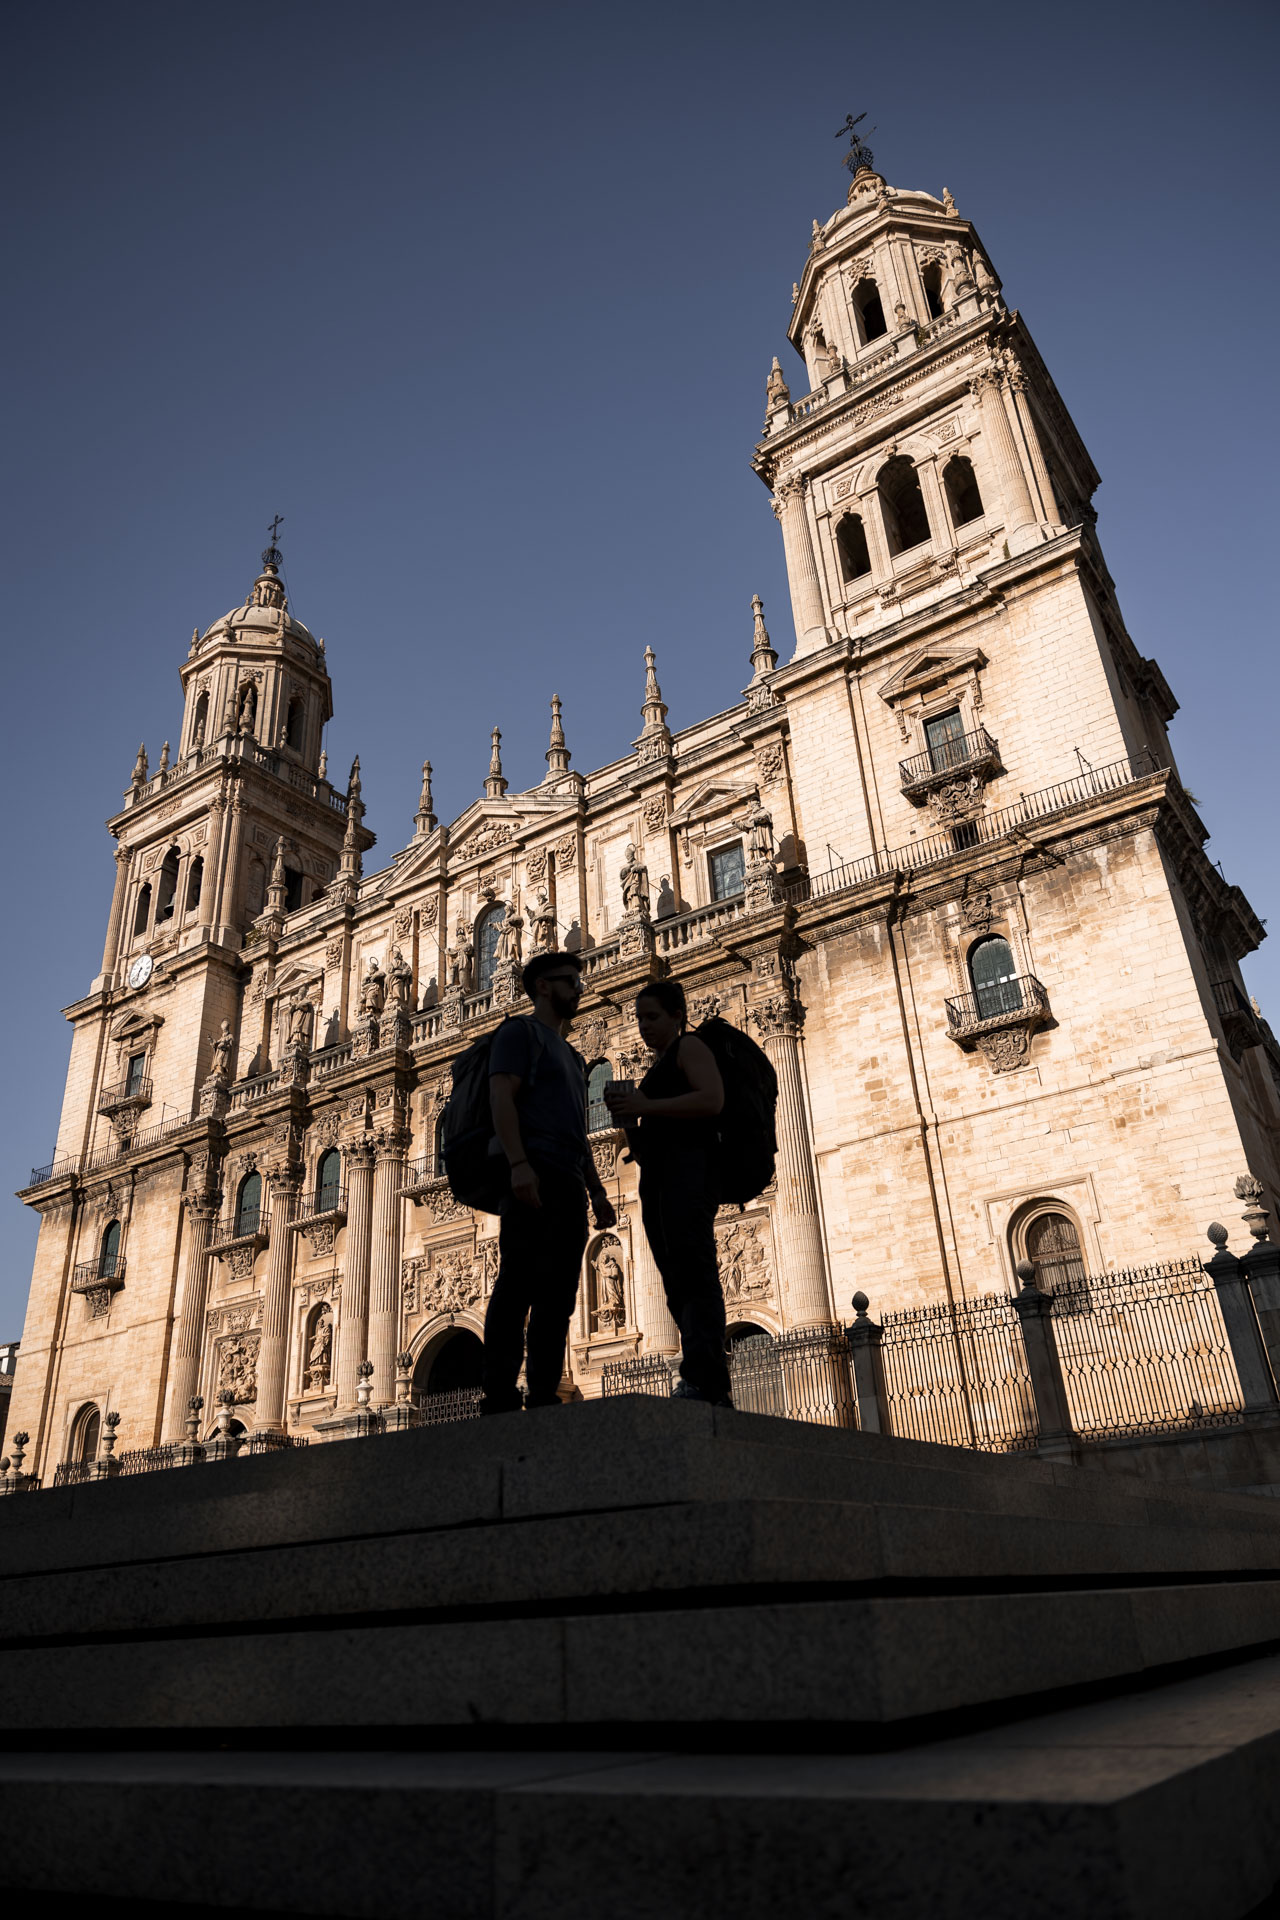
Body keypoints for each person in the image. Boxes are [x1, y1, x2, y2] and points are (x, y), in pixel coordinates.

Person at [483, 950, 617, 1413]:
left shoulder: (575, 1057)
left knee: (559, 1294)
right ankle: (498, 1394)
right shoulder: (518, 1034)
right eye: (570, 981)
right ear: (543, 986)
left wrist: (597, 1190)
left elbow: (577, 1130)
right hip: (531, 1172)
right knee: (517, 1282)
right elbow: (502, 1096)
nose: (579, 989)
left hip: (567, 1181)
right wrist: (518, 1164)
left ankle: (542, 1393)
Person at [605, 978, 731, 1406]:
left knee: (695, 1275)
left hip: (688, 1175)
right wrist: (626, 1120)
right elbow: (646, 1144)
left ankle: (708, 1380)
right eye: (639, 1017)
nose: (644, 1025)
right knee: (676, 1281)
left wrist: (645, 1106)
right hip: (660, 1180)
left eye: (652, 1016)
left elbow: (712, 1100)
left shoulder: (689, 1049)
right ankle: (698, 1372)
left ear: (677, 1015)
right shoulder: (658, 1067)